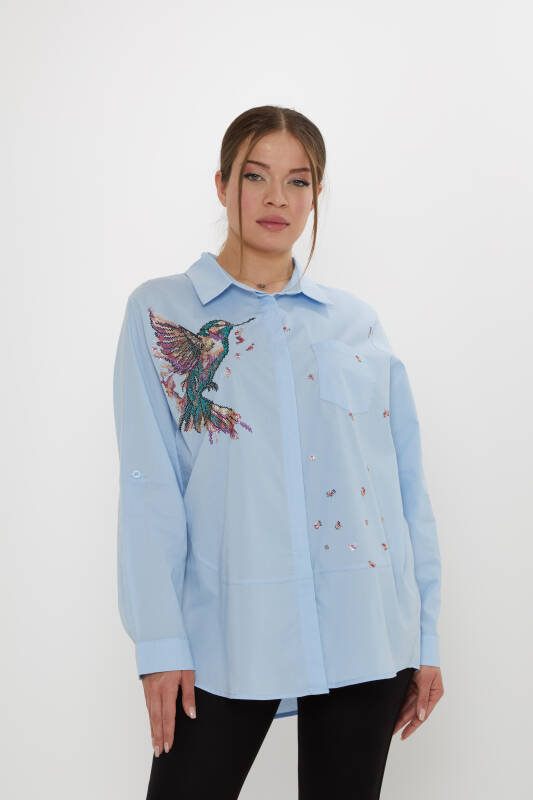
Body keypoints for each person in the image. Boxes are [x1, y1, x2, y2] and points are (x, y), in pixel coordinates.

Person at [112, 105, 444, 799]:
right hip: (226, 632)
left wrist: (424, 641)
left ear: (315, 195)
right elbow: (150, 488)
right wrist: (161, 643)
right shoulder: (161, 312)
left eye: (298, 181)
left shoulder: (355, 323)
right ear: (221, 183)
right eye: (255, 176)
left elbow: (402, 488)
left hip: (364, 630)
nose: (276, 198)